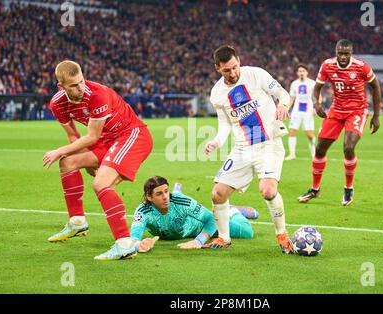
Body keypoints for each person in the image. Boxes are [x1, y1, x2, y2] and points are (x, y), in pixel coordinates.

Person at [43, 60, 153, 260]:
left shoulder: (97, 95)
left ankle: (124, 244)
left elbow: (92, 137)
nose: (81, 88)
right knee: (67, 162)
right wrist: (80, 160)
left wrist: (59, 150)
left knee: (100, 183)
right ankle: (77, 222)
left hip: (130, 136)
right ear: (61, 87)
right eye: (74, 85)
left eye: (82, 81)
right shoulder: (57, 104)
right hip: (107, 141)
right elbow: (74, 138)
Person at [204, 45, 294, 254]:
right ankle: (224, 237)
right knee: (218, 193)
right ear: (218, 68)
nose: (233, 73)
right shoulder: (217, 94)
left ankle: (282, 234)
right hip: (242, 149)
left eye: (235, 67)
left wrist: (283, 105)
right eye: (227, 70)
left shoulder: (256, 74)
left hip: (268, 144)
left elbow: (283, 93)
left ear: (239, 60)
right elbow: (224, 124)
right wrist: (216, 142)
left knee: (268, 190)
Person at [298, 39, 381, 206]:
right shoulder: (328, 65)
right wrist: (316, 104)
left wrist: (376, 116)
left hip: (357, 111)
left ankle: (348, 188)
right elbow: (316, 88)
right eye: (340, 54)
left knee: (348, 147)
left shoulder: (361, 66)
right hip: (336, 110)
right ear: (336, 53)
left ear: (351, 53)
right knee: (320, 149)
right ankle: (315, 189)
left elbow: (375, 86)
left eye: (346, 54)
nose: (343, 57)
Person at [130, 177, 258, 252]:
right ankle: (226, 210)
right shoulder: (143, 211)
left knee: (247, 232)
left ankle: (232, 211)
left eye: (166, 192)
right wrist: (138, 245)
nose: (165, 197)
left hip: (201, 227)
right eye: (159, 194)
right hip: (183, 232)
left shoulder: (181, 201)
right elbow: (134, 236)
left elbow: (211, 219)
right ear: (149, 196)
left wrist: (199, 240)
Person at [286, 63, 319, 160]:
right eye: (299, 71)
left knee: (309, 134)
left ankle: (314, 154)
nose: (301, 73)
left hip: (308, 110)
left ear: (307, 72)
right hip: (297, 110)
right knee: (292, 131)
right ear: (297, 73)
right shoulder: (294, 84)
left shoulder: (312, 83)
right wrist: (287, 109)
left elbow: (317, 97)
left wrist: (315, 108)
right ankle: (292, 154)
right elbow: (291, 98)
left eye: (303, 71)